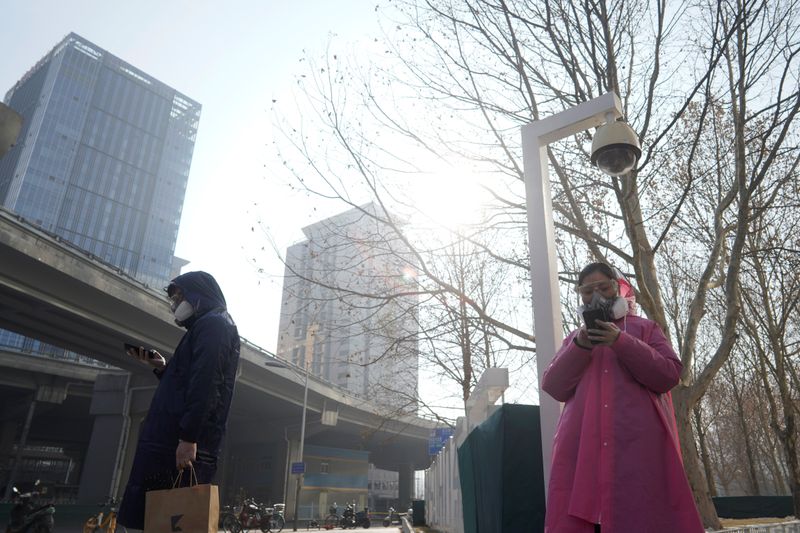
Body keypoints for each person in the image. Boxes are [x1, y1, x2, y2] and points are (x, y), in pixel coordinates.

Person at [541, 262, 703, 533]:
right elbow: (553, 385)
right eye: (587, 291)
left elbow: (669, 374)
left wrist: (622, 341)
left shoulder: (645, 329)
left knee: (641, 514)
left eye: (604, 288)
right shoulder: (574, 339)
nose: (596, 297)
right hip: (582, 451)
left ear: (619, 289)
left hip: (636, 448)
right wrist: (580, 346)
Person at [117, 271, 240, 530]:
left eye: (179, 297)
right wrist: (161, 367)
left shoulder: (214, 325)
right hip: (170, 441)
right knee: (154, 520)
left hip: (176, 444)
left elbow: (207, 383)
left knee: (163, 519)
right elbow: (186, 384)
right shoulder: (206, 326)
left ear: (198, 295)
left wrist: (188, 437)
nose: (175, 305)